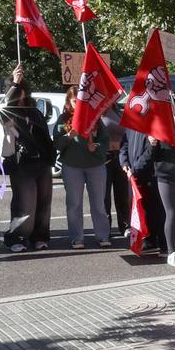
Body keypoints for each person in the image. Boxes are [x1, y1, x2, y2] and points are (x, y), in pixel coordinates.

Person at [0, 65, 54, 252]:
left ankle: (40, 237)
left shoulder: (35, 111)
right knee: (25, 203)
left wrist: (50, 157)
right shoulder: (8, 112)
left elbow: (44, 136)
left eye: (23, 87)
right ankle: (17, 238)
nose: (21, 91)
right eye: (17, 88)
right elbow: (4, 106)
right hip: (22, 164)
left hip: (42, 162)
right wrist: (14, 82)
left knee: (44, 203)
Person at [122, 124, 175, 265]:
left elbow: (154, 151)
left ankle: (170, 248)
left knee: (166, 211)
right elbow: (125, 143)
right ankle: (151, 240)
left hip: (152, 172)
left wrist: (136, 168)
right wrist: (125, 163)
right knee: (145, 210)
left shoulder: (155, 124)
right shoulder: (132, 122)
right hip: (135, 172)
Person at [54, 87, 112, 250]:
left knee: (98, 203)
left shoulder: (94, 118)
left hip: (95, 166)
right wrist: (67, 137)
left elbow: (105, 141)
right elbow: (56, 144)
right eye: (74, 101)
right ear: (69, 102)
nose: (77, 103)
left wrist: (97, 147)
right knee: (74, 204)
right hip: (72, 167)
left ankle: (102, 236)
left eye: (80, 100)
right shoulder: (63, 120)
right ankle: (77, 238)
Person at [102, 105, 130, 238]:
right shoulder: (98, 111)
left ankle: (125, 225)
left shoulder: (118, 111)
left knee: (122, 193)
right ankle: (105, 227)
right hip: (104, 157)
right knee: (104, 196)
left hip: (120, 155)